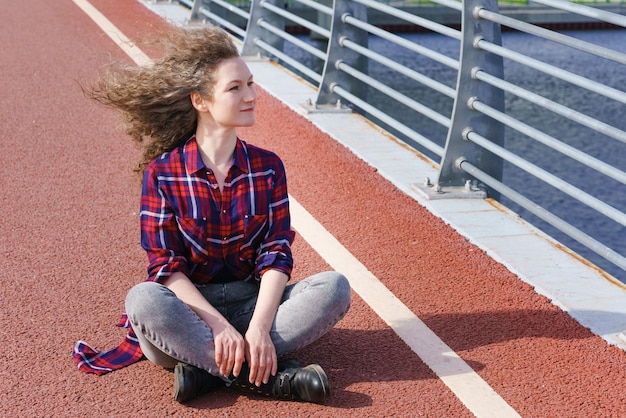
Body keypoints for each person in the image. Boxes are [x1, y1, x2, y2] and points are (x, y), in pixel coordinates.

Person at [72, 26, 351, 405]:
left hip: (252, 304)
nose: (251, 96)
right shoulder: (163, 173)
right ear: (200, 101)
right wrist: (218, 326)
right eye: (235, 88)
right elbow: (165, 267)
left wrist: (258, 326)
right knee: (143, 300)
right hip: (189, 315)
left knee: (334, 288)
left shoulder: (268, 167)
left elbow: (276, 252)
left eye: (250, 84)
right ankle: (270, 378)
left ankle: (210, 372)